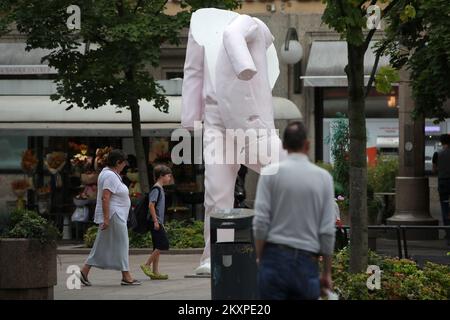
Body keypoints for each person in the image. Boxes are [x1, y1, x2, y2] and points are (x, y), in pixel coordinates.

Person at [181, 8, 286, 275]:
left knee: (285, 174)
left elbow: (239, 35)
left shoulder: (249, 24)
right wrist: (190, 118)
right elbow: (193, 71)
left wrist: (245, 65)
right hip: (215, 119)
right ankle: (216, 254)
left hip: (250, 119)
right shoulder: (199, 23)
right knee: (217, 193)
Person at [253, 121, 336, 300]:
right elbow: (327, 231)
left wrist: (260, 257)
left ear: (283, 145)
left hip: (273, 259)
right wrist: (326, 272)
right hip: (307, 262)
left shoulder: (269, 174)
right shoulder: (324, 178)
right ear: (307, 145)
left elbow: (260, 222)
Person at [79, 149, 141, 286]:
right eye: (123, 163)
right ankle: (126, 276)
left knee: (101, 244)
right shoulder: (110, 176)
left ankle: (84, 271)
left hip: (114, 215)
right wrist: (106, 218)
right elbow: (105, 197)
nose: (125, 166)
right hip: (114, 215)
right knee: (123, 244)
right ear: (118, 162)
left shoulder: (109, 174)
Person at [140, 164, 172, 280]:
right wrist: (156, 221)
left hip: (157, 221)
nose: (170, 178)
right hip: (155, 221)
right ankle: (146, 265)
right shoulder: (156, 189)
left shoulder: (160, 188)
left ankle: (155, 272)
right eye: (168, 176)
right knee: (163, 244)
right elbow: (151, 205)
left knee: (156, 246)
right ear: (161, 176)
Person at [432, 134, 450, 245]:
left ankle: (448, 234)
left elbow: (434, 169)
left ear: (441, 142)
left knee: (445, 208)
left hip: (443, 183)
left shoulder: (437, 154)